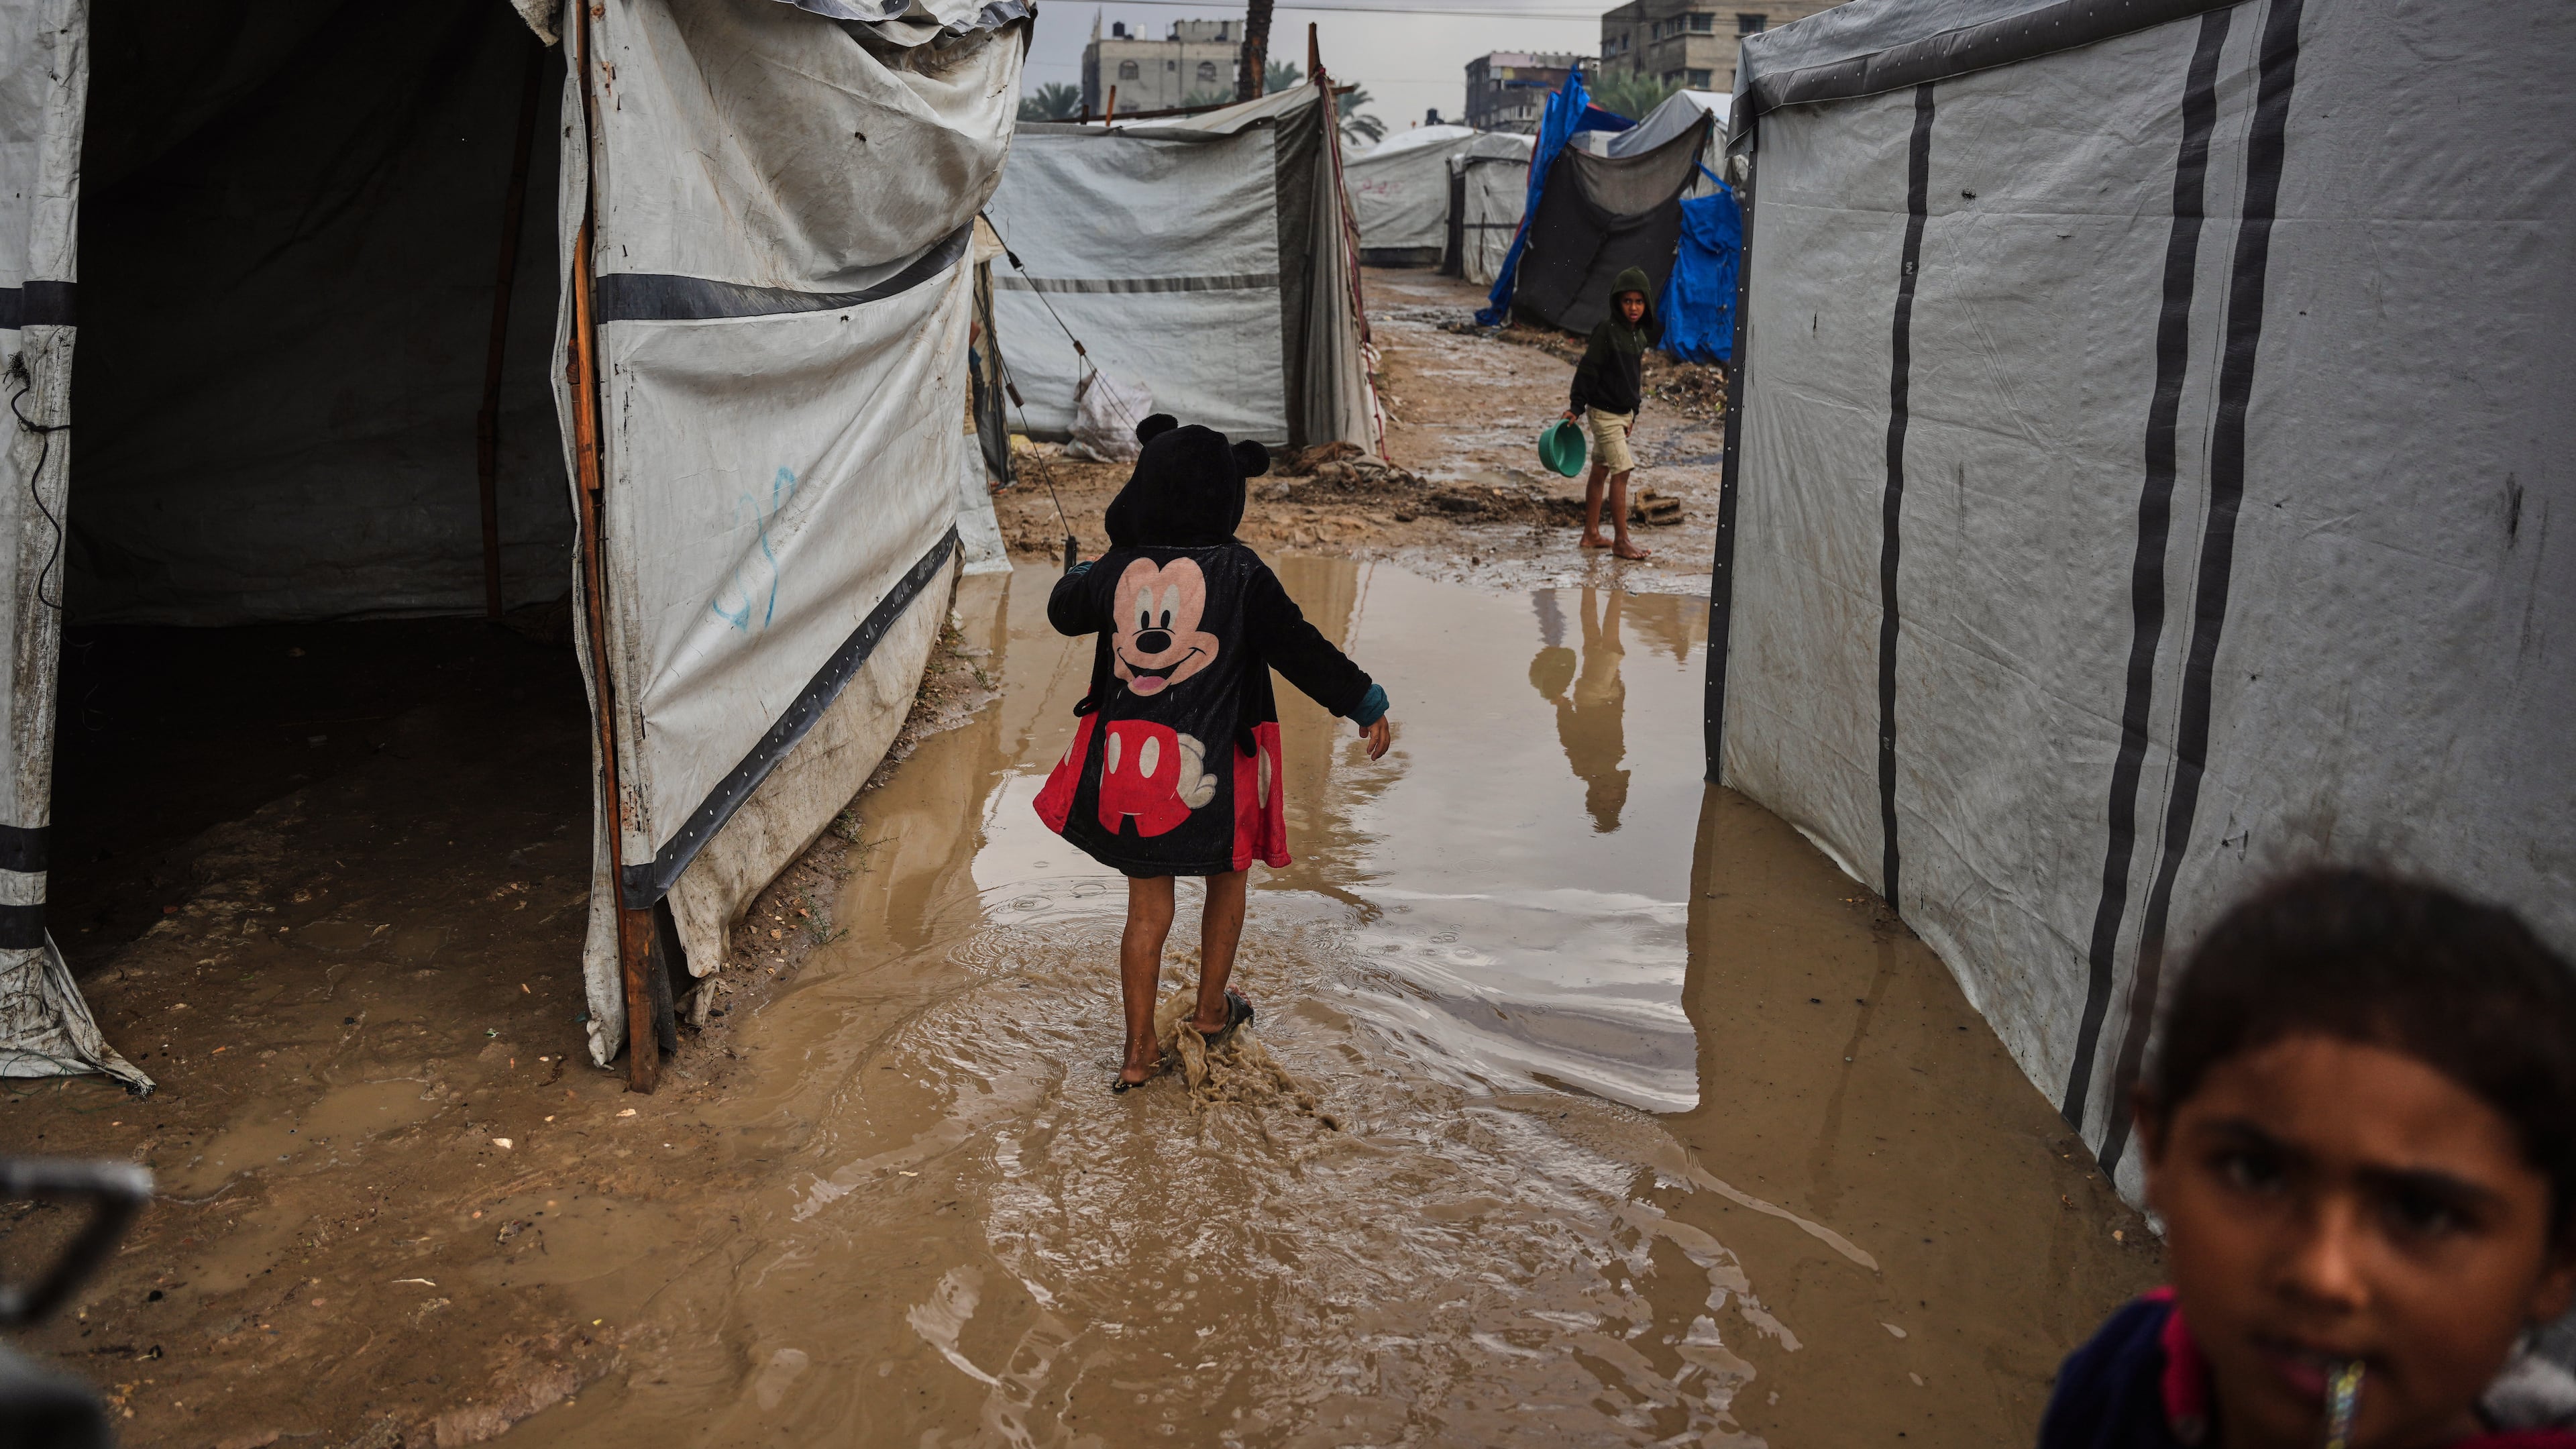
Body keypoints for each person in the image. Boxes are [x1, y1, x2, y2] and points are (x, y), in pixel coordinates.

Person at [2040, 869, 2576, 1449]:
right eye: (2256, 1173)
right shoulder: (2127, 1370)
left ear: (2557, 1264)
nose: (2324, 1275)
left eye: (2423, 1212)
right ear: (2160, 1153)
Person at [1035, 413, 1394, 1093]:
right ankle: (1208, 1014)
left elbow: (1062, 610)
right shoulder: (1241, 571)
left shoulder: (1119, 571)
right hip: (1216, 778)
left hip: (1131, 776)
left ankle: (1137, 1056)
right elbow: (1300, 649)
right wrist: (1363, 701)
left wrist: (1085, 572)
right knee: (1228, 881)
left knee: (1147, 912)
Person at [1563, 265, 1658, 561]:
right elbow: (1587, 371)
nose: (1633, 308)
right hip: (1602, 414)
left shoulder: (1638, 336)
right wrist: (1576, 407)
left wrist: (1634, 413)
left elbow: (1633, 379)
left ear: (1647, 304)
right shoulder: (1606, 331)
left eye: (1639, 302)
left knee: (1602, 468)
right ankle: (1621, 541)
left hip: (1621, 415)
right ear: (1617, 302)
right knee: (1623, 469)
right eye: (1627, 301)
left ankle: (1591, 533)